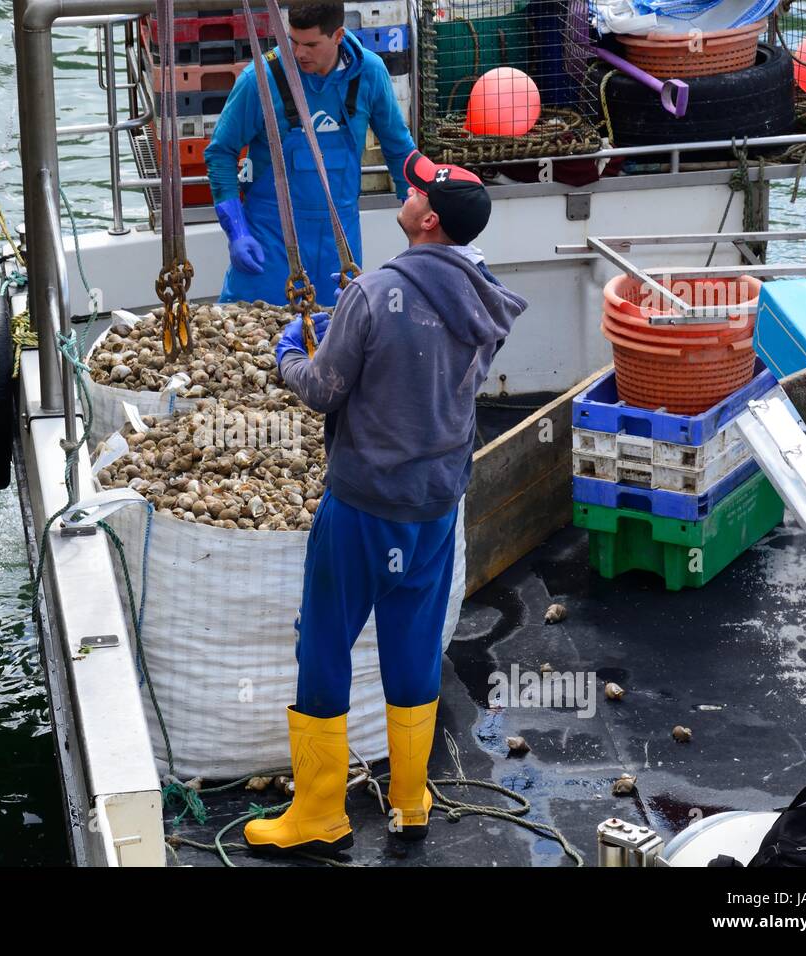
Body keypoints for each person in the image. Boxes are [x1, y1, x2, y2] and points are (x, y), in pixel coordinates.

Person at [246, 151, 529, 855]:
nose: (406, 191)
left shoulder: (372, 295)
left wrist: (287, 351)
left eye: (416, 190)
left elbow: (321, 389)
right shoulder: (484, 297)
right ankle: (410, 801)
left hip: (365, 505)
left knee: (324, 645)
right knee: (410, 645)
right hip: (435, 507)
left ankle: (318, 814)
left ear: (427, 220)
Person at [205, 2, 417, 308]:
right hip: (270, 243)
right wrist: (236, 230)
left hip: (339, 245)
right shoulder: (260, 80)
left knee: (339, 339)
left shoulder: (369, 73)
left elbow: (400, 150)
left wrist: (417, 223)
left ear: (339, 35)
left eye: (311, 44)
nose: (299, 53)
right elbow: (220, 152)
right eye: (293, 41)